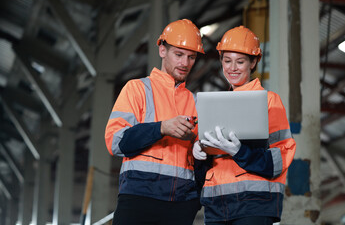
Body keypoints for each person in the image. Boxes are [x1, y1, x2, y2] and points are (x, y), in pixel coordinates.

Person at [192, 26, 296, 225]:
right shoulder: (211, 106)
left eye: (240, 62)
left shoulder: (269, 101)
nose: (232, 68)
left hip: (255, 204)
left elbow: (280, 159)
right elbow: (207, 165)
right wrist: (200, 153)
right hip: (217, 205)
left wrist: (241, 152)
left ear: (253, 62)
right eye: (227, 61)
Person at [104, 19, 205, 225]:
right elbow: (116, 141)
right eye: (178, 55)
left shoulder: (197, 102)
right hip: (138, 199)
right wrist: (161, 128)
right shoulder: (137, 89)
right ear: (162, 50)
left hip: (181, 205)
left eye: (191, 57)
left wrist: (195, 200)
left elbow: (202, 160)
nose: (185, 63)